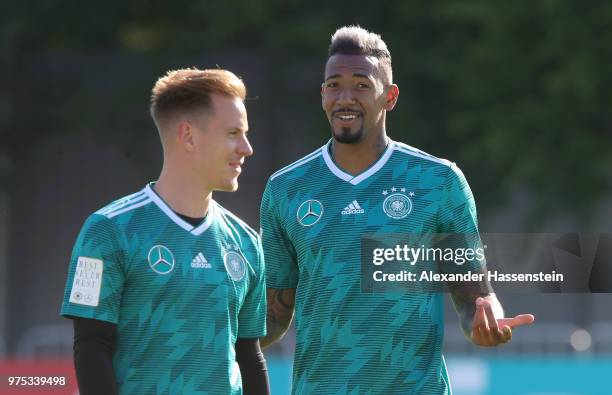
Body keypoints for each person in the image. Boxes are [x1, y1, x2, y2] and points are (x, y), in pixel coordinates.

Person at [260, 26, 535, 394]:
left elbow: (475, 298)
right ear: (322, 94)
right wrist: (212, 341)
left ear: (390, 97)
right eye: (333, 85)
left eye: (361, 84)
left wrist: (489, 323)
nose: (345, 97)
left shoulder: (438, 181)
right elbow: (274, 314)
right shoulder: (287, 189)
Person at [60, 68, 269, 395]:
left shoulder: (246, 243)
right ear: (188, 135)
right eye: (233, 133)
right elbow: (91, 346)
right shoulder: (107, 230)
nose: (247, 147)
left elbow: (249, 355)